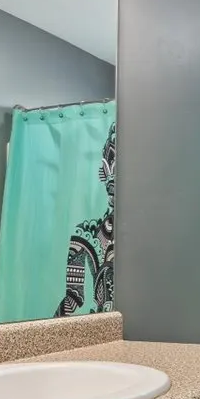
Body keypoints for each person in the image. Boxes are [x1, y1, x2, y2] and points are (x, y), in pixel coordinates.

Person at [56, 124, 115, 316]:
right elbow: (73, 298)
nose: (113, 179)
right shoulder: (84, 235)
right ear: (103, 171)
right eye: (110, 165)